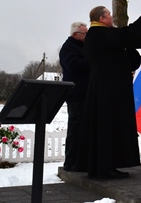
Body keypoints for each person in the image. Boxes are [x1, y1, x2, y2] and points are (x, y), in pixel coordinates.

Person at [75, 3, 141, 179]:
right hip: (110, 89)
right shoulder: (101, 34)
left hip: (102, 86)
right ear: (101, 18)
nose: (112, 17)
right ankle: (106, 167)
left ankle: (99, 165)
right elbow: (127, 33)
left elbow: (123, 41)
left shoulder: (95, 36)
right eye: (109, 14)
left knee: (101, 125)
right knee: (109, 124)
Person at [59, 21, 91, 172]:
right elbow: (74, 65)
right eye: (84, 33)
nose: (86, 36)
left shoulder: (82, 46)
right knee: (75, 128)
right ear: (75, 34)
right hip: (76, 94)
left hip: (85, 92)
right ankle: (71, 162)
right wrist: (91, 59)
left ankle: (83, 161)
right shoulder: (68, 48)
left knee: (84, 128)